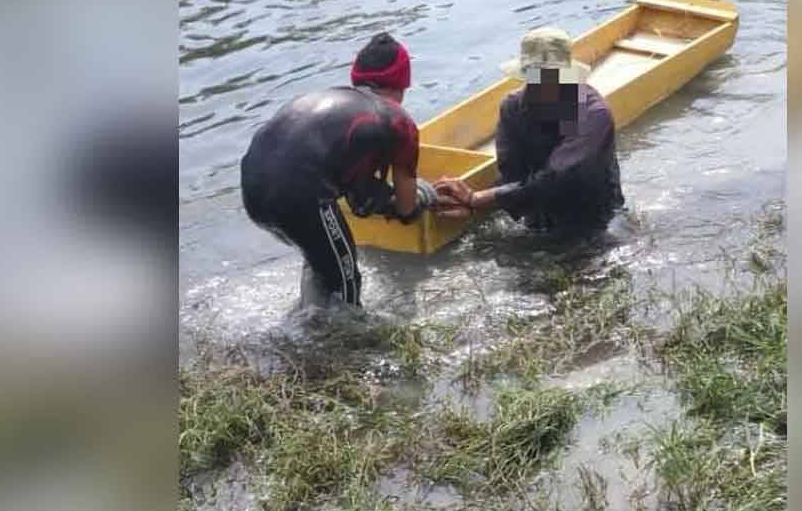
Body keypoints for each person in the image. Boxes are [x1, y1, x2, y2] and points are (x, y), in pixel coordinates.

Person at [240, 32, 453, 308]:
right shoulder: (398, 122)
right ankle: (340, 332)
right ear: (402, 84)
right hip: (300, 196)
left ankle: (306, 322)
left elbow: (358, 196)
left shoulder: (333, 102)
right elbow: (405, 208)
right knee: (345, 282)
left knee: (319, 256)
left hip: (252, 188)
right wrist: (424, 194)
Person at [436, 27, 625, 236]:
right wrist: (472, 204)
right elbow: (511, 174)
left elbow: (561, 176)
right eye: (538, 78)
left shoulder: (591, 113)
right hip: (538, 216)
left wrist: (478, 199)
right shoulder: (513, 108)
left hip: (598, 219)